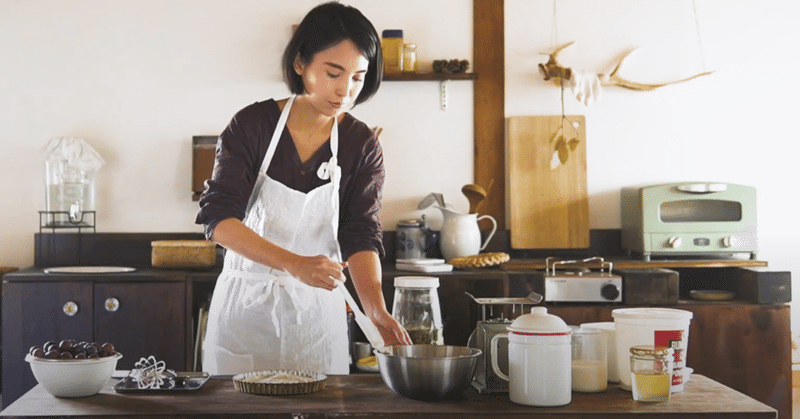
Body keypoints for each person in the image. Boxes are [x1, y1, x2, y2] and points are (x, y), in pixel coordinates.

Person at [196, 2, 411, 375]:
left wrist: (374, 308)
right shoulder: (252, 126)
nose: (345, 90)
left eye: (358, 77)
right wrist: (293, 263)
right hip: (245, 309)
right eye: (333, 73)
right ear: (300, 64)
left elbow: (360, 233)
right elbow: (219, 219)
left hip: (316, 317)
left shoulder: (360, 144)